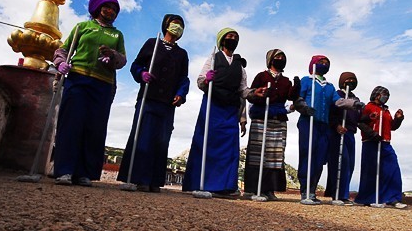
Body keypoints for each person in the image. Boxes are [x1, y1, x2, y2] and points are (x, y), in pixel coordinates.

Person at [52, 0, 126, 187]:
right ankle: (64, 171)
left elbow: (122, 60)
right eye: (107, 7)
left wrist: (111, 56)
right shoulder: (82, 27)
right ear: (98, 8)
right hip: (78, 80)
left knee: (94, 128)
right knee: (71, 124)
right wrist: (60, 63)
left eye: (114, 9)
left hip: (103, 84)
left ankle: (85, 173)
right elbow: (63, 50)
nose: (110, 11)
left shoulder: (117, 35)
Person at [182, 27, 266, 196]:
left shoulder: (239, 65)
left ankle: (225, 186)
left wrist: (253, 93)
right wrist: (207, 79)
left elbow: (243, 89)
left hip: (230, 109)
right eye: (229, 36)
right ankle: (200, 183)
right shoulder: (213, 58)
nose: (232, 39)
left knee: (228, 147)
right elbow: (200, 82)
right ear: (221, 40)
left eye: (235, 37)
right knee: (206, 142)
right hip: (212, 106)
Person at [117, 14, 190, 192]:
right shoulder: (152, 43)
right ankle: (136, 178)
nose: (177, 28)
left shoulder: (182, 54)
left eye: (181, 25)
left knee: (161, 140)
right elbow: (136, 65)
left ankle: (154, 181)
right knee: (143, 137)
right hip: (148, 99)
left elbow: (184, 78)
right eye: (175, 24)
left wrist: (181, 93)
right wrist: (142, 73)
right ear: (166, 25)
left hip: (167, 103)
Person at [296, 55, 357, 205]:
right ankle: (305, 190)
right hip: (308, 122)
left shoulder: (328, 86)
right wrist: (303, 107)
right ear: (314, 65)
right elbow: (298, 98)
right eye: (321, 62)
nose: (324, 65)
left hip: (323, 125)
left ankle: (313, 190)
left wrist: (353, 104)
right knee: (307, 154)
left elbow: (337, 101)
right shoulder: (307, 80)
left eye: (327, 63)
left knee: (320, 158)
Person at [242, 49, 300, 201]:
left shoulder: (286, 81)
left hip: (278, 120)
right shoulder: (262, 76)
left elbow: (291, 97)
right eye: (277, 57)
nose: (280, 59)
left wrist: (296, 87)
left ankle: (269, 190)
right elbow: (251, 95)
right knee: (257, 153)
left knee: (275, 154)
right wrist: (259, 94)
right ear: (270, 60)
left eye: (282, 57)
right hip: (261, 117)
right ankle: (252, 188)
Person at [355, 86, 406, 208]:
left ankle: (393, 198)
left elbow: (391, 127)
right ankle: (368, 198)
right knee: (370, 170)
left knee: (392, 168)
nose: (386, 97)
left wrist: (398, 119)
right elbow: (360, 122)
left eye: (387, 95)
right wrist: (371, 134)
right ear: (376, 95)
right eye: (383, 94)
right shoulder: (368, 107)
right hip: (370, 142)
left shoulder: (386, 111)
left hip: (385, 142)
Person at [325, 72, 364, 205]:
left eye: (353, 80)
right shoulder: (337, 96)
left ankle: (344, 194)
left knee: (350, 164)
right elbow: (331, 113)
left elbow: (359, 118)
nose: (350, 82)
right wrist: (336, 125)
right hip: (338, 133)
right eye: (348, 79)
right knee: (340, 162)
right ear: (342, 81)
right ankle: (337, 195)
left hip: (350, 133)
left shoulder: (355, 99)